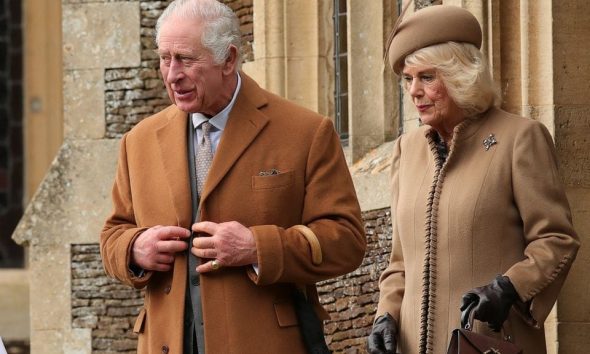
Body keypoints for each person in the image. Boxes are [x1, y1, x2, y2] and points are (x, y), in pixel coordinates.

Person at [100, 0, 366, 353]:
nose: (172, 74)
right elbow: (113, 234)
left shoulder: (306, 132)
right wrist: (134, 249)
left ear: (228, 59)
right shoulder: (139, 141)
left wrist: (257, 248)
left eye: (186, 60)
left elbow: (346, 241)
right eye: (165, 58)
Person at [367, 5, 580, 354]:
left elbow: (557, 240)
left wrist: (509, 288)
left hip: (489, 344)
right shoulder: (407, 150)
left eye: (427, 77)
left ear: (460, 75)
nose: (413, 92)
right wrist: (385, 316)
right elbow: (400, 263)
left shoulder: (519, 139)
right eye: (408, 79)